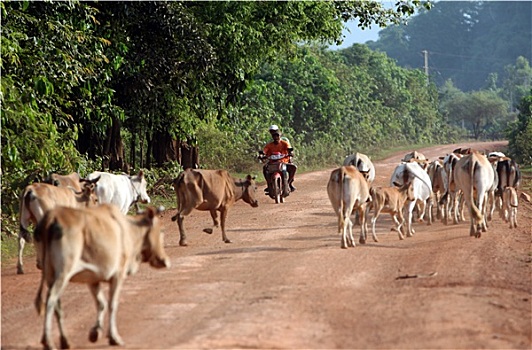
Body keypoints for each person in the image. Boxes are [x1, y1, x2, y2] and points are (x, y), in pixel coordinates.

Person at [262, 125, 297, 195]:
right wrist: (262, 155)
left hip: (284, 161)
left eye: (276, 135)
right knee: (265, 169)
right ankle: (269, 184)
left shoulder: (285, 142)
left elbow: (289, 148)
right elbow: (265, 151)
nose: (275, 137)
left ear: (279, 135)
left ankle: (289, 183)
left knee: (293, 167)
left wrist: (290, 153)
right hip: (273, 162)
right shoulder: (269, 144)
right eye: (273, 135)